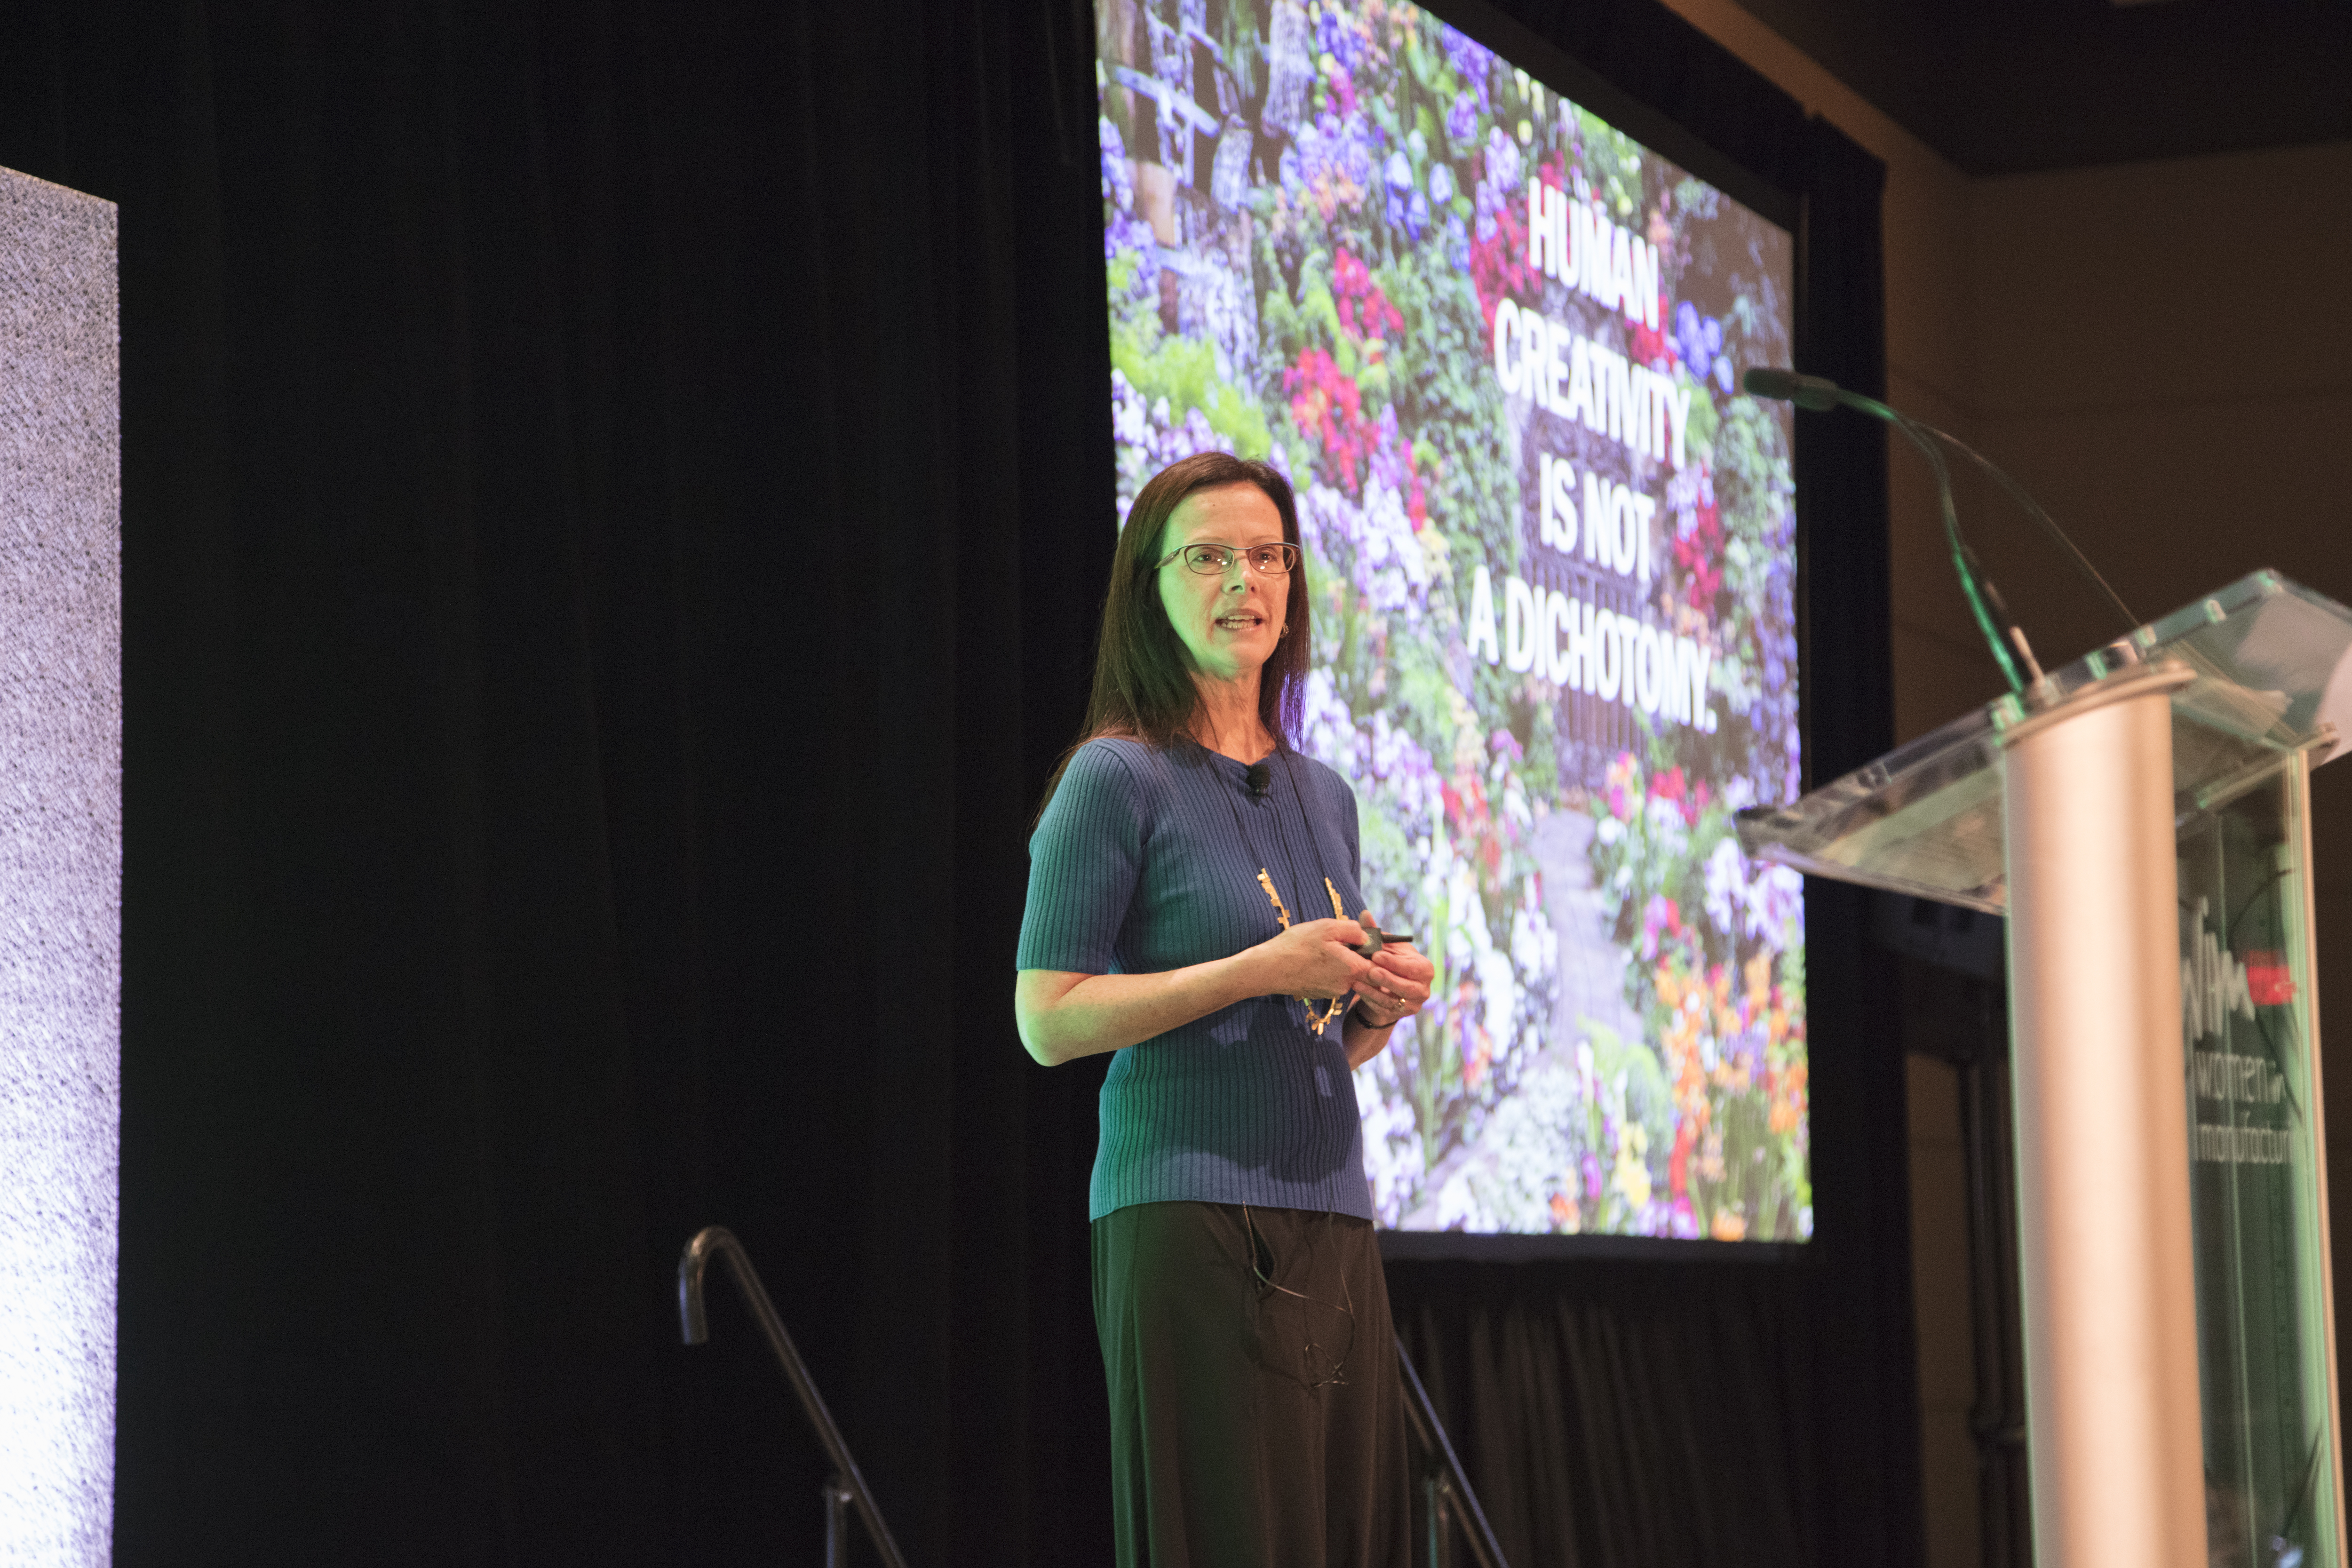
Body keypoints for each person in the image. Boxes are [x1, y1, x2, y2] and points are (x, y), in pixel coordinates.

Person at [1015, 451, 1435, 1567]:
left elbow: (1303, 1043)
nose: (1241, 580)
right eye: (1206, 556)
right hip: (1185, 1220)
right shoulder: (1115, 777)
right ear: (1149, 586)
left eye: (1265, 556)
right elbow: (1046, 1017)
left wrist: (1373, 1009)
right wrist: (1260, 966)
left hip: (1332, 1219)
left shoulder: (1324, 793)